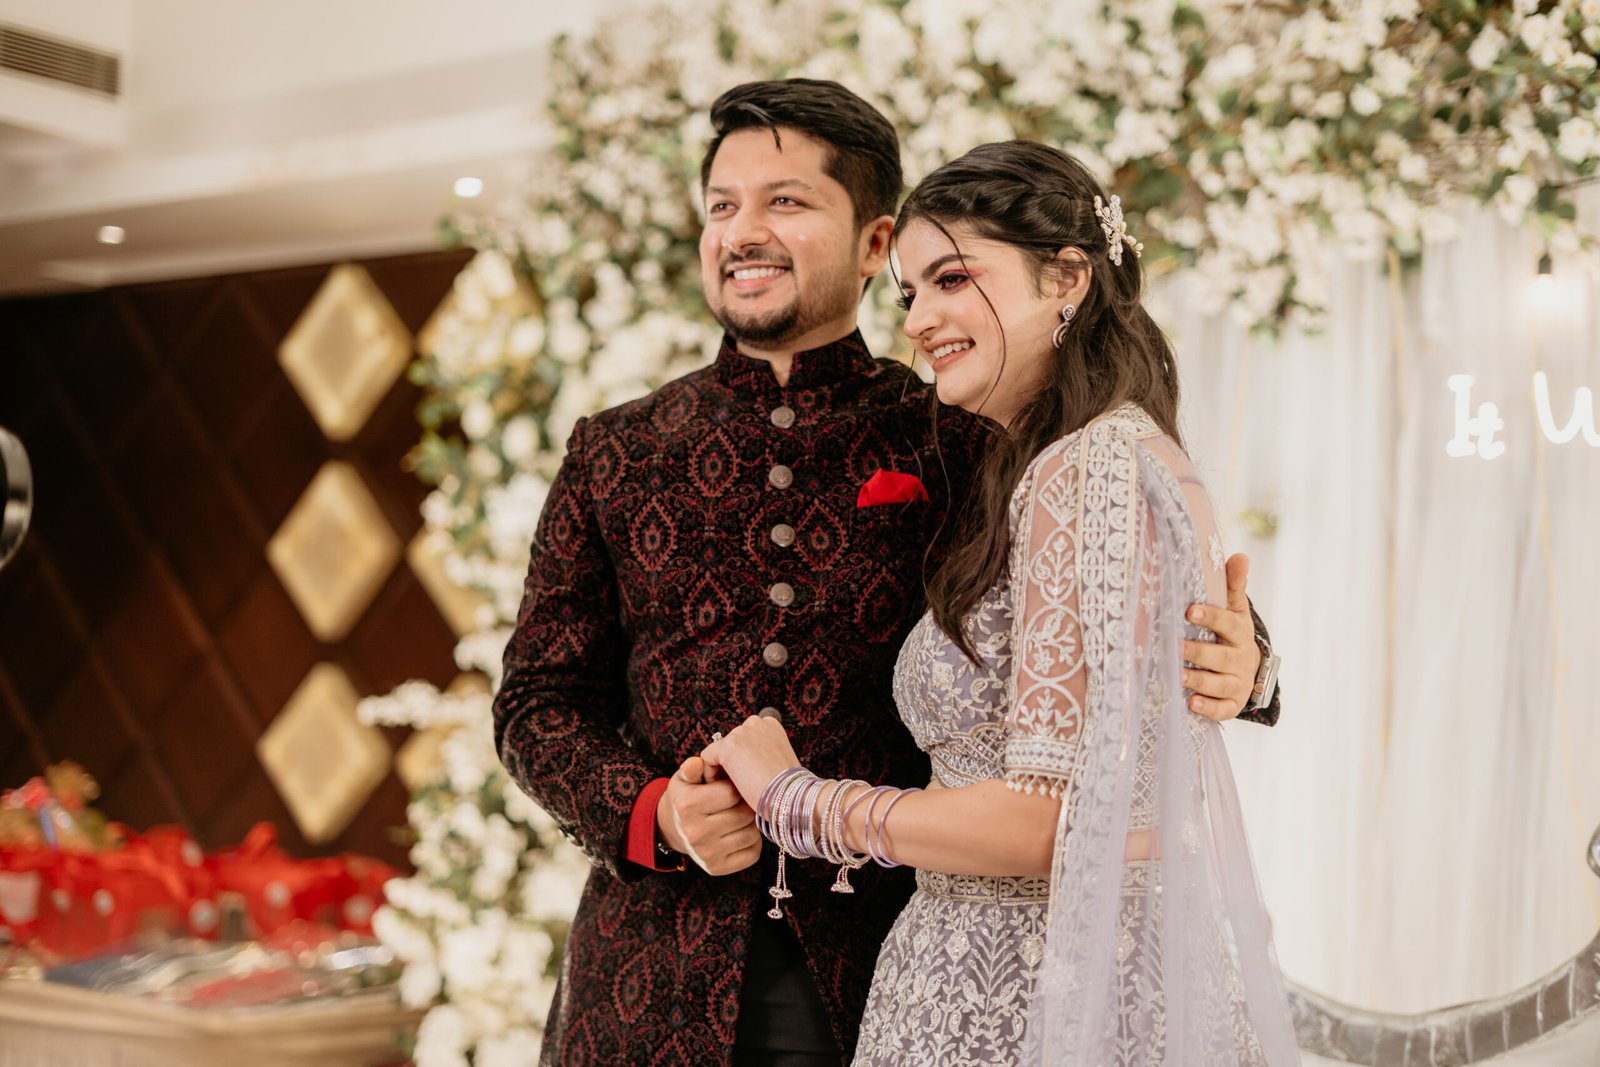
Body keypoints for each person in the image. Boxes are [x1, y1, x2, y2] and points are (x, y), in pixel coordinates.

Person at [493, 80, 1283, 1066]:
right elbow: (534, 700)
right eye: (721, 205)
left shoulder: (967, 431)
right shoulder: (615, 450)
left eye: (784, 201)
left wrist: (1248, 663)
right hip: (649, 976)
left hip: (884, 966)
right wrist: (656, 810)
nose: (743, 231)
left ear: (874, 244)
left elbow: (1113, 601)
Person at [701, 140, 1301, 1065]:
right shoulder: (1101, 445)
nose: (922, 319)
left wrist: (798, 801)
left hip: (1013, 984)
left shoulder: (1052, 456)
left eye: (950, 279)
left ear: (1066, 275)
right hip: (1028, 970)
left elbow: (1053, 815)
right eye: (912, 294)